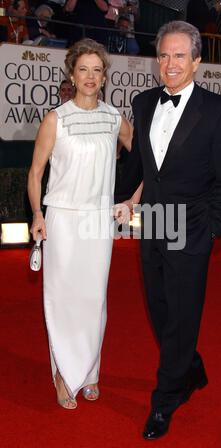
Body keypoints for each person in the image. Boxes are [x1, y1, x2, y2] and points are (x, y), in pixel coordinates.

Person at [120, 20, 221, 439]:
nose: (169, 64)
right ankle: (189, 366)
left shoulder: (219, 111)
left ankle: (166, 396)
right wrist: (114, 199)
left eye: (179, 56)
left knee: (182, 314)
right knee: (160, 310)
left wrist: (210, 229)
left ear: (196, 61)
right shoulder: (141, 102)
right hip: (151, 224)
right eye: (164, 56)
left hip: (191, 230)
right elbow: (138, 167)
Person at [27, 38, 133, 409]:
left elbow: (149, 161)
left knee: (93, 299)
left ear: (104, 77)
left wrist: (133, 200)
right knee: (62, 299)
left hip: (98, 222)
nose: (90, 76)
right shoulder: (56, 118)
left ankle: (89, 371)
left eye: (97, 70)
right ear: (72, 74)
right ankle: (62, 373)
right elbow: (36, 173)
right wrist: (38, 215)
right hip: (62, 219)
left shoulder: (113, 117)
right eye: (83, 69)